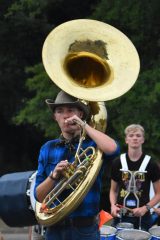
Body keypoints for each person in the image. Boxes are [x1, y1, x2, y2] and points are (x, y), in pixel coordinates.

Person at [34, 90, 120, 240]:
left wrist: (84, 126)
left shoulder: (94, 144)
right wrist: (54, 176)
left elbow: (113, 149)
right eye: (60, 111)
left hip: (85, 229)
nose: (66, 115)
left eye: (70, 110)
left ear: (80, 114)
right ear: (55, 117)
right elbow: (39, 196)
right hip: (55, 229)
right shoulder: (47, 148)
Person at [110, 124, 160, 231]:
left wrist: (145, 208)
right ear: (126, 140)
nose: (135, 138)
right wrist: (113, 205)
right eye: (131, 135)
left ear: (143, 140)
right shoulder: (117, 162)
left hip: (143, 217)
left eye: (138, 135)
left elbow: (158, 194)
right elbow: (113, 190)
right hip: (121, 216)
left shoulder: (151, 164)